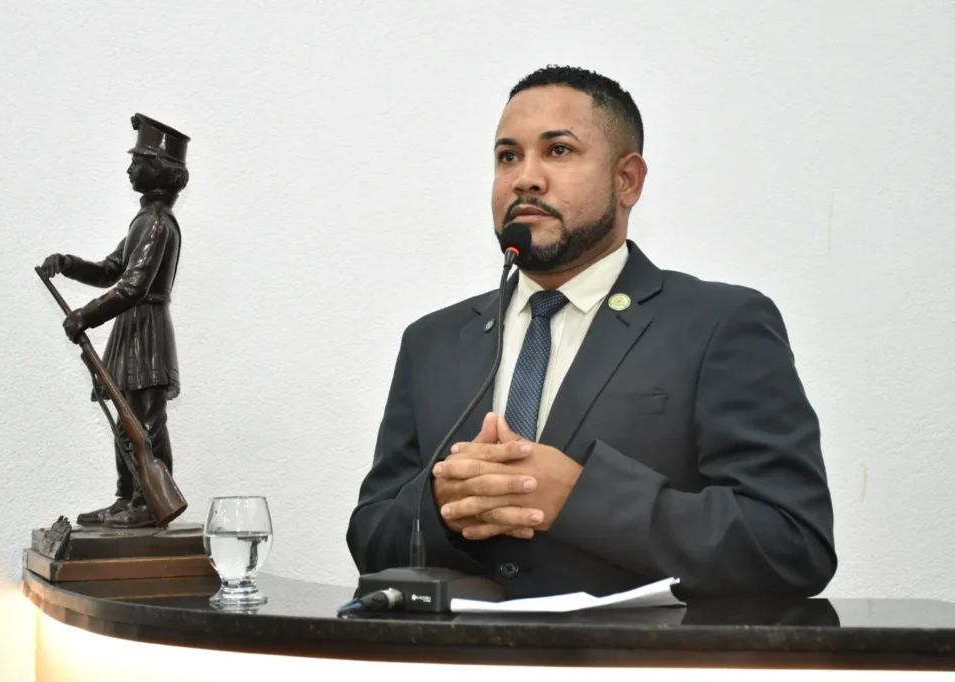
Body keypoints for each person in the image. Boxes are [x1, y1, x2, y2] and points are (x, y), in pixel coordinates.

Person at [346, 66, 836, 599]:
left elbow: (792, 544)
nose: (525, 178)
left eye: (558, 150)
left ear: (627, 181)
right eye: (508, 156)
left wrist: (579, 495)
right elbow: (370, 539)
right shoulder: (432, 342)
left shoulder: (721, 324)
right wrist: (442, 503)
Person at [39, 113, 189, 529]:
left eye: (138, 160)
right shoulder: (145, 220)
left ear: (158, 169)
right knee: (127, 422)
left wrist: (85, 316)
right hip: (133, 327)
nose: (129, 168)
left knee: (145, 424)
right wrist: (68, 264)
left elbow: (134, 285)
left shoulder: (156, 222)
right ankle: (128, 497)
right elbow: (111, 271)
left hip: (147, 331)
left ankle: (150, 502)